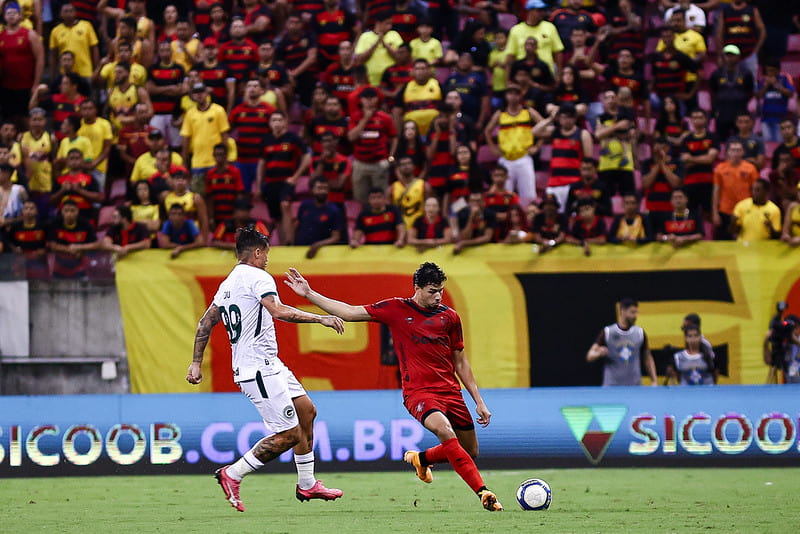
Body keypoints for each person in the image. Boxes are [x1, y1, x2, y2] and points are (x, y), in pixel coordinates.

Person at [284, 262, 504, 512]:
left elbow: (461, 362)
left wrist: (478, 400)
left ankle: (421, 459)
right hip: (419, 393)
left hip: (451, 393)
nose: (438, 296)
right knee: (444, 431)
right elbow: (349, 312)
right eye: (432, 290)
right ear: (417, 288)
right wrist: (309, 293)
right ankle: (482, 491)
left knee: (469, 451)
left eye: (441, 290)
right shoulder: (396, 309)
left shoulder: (450, 317)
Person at [187, 226, 344, 512]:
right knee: (290, 434)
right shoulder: (258, 276)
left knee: (307, 411)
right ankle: (232, 474)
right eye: (267, 253)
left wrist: (196, 362)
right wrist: (320, 319)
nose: (268, 259)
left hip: (270, 364)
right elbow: (279, 311)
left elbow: (205, 323)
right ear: (257, 253)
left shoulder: (228, 284)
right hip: (257, 369)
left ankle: (307, 484)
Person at [587, 297, 658, 386]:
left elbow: (647, 358)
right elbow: (590, 356)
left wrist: (654, 380)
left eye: (636, 312)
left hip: (634, 386)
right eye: (632, 312)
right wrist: (599, 354)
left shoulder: (640, 333)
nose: (635, 316)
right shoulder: (608, 332)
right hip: (612, 386)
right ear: (622, 311)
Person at [0, 1, 44, 128]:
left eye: (14, 13)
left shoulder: (30, 34)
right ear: (4, 16)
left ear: (20, 16)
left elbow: (40, 59)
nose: (11, 16)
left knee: (25, 119)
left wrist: (36, 84)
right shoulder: (1, 36)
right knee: (10, 119)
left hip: (25, 86)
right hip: (6, 86)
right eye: (8, 13)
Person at [711, 140, 759, 240]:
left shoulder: (751, 168)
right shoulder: (720, 168)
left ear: (743, 152)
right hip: (725, 210)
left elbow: (756, 191)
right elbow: (716, 191)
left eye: (738, 150)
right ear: (728, 152)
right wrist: (715, 213)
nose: (735, 153)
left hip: (746, 211)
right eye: (733, 150)